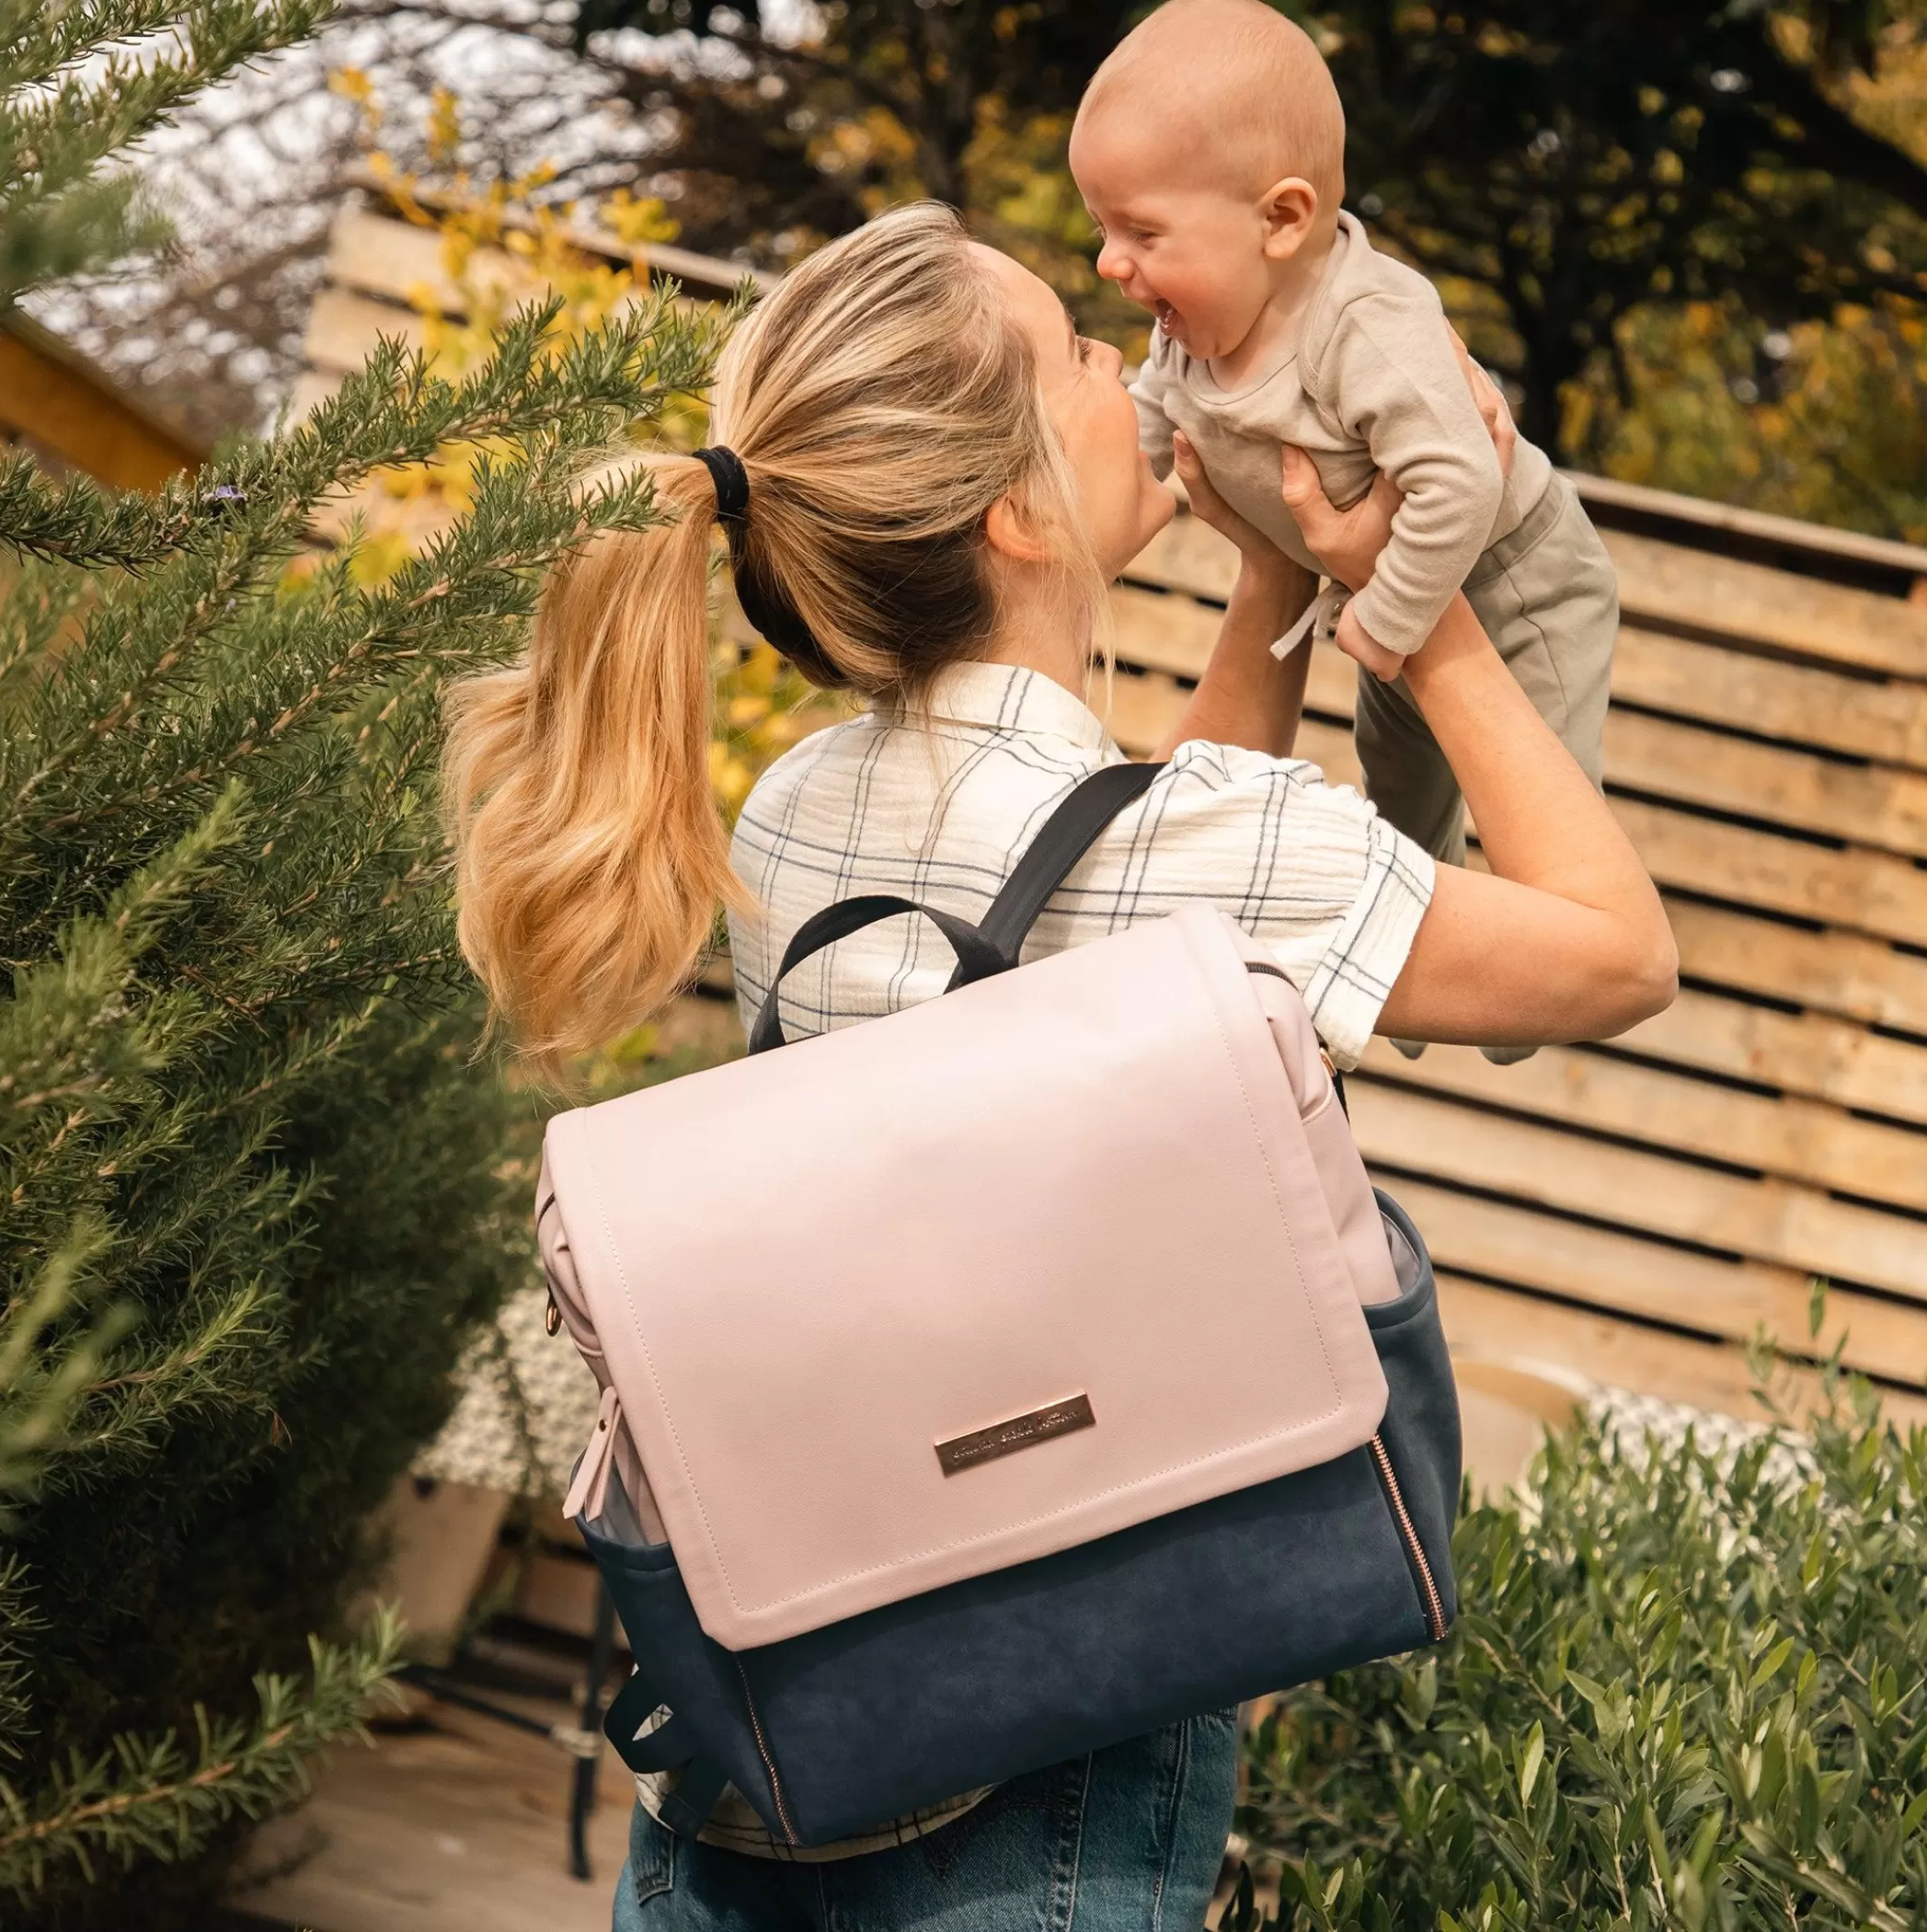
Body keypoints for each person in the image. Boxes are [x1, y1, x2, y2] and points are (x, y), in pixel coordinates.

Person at [444, 201, 1676, 1930]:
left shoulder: (799, 812)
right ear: (1019, 509)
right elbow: (1620, 955)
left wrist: (1267, 584)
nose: (1131, 359)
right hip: (1039, 1806)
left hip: (774, 1733)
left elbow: (1111, 914)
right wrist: (1423, 606)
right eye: (1085, 354)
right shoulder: (1222, 846)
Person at [1068, 0, 1622, 905]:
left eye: (1142, 232)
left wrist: (1394, 615)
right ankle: (1436, 947)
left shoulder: (1365, 327)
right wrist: (1071, 531)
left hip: (1517, 583)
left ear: (1282, 220)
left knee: (1548, 794)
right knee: (1400, 787)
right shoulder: (1193, 332)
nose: (1108, 263)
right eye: (1102, 229)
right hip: (1382, 589)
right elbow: (1141, 436)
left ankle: (1544, 964)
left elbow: (1459, 478)